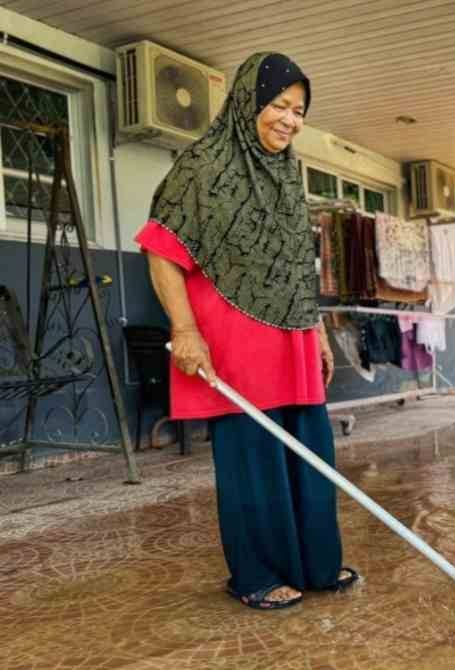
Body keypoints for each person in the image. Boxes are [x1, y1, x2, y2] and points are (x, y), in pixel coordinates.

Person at [136, 52, 357, 610]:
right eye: (280, 105)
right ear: (248, 101)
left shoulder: (286, 171)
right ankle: (257, 575)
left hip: (295, 335)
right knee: (253, 459)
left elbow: (293, 262)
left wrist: (320, 331)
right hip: (236, 339)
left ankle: (316, 565)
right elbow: (160, 248)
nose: (291, 119)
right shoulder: (203, 165)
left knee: (309, 453)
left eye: (300, 110)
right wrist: (184, 330)